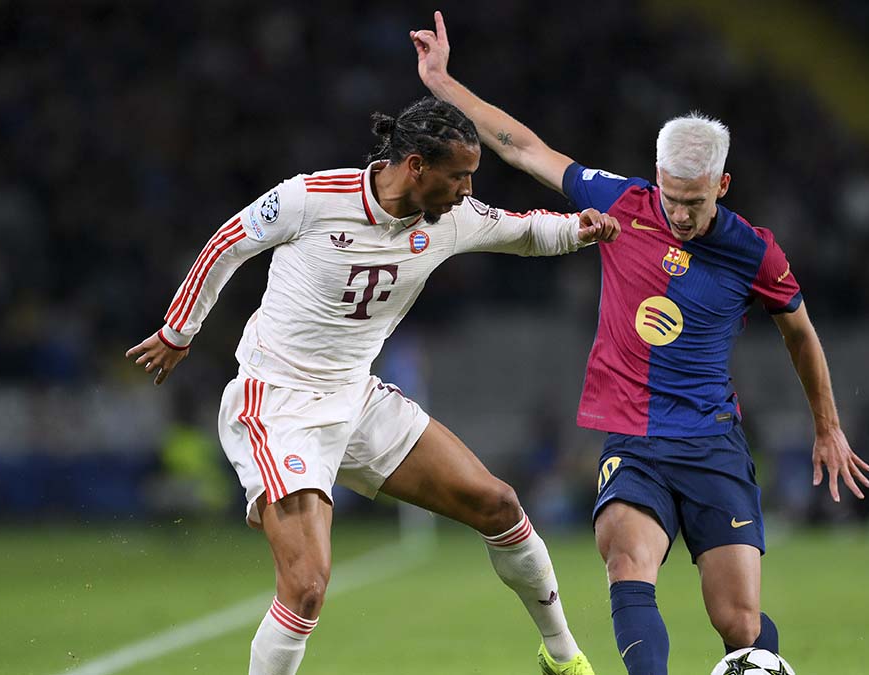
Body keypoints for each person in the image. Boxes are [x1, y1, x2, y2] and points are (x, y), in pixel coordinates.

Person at [412, 12, 869, 674]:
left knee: (739, 622)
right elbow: (521, 146)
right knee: (627, 559)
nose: (680, 214)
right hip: (634, 438)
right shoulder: (623, 203)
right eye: (670, 197)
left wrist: (826, 426)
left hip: (713, 440)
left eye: (694, 202)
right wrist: (444, 84)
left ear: (722, 185)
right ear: (655, 174)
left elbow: (801, 332)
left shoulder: (754, 252)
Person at [126, 96, 619, 675]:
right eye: (458, 176)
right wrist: (179, 332)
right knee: (306, 586)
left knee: (500, 504)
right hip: (278, 401)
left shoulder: (451, 219)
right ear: (415, 166)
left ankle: (562, 657)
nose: (466, 190)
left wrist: (581, 230)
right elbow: (227, 244)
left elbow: (523, 231)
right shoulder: (311, 197)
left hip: (356, 400)